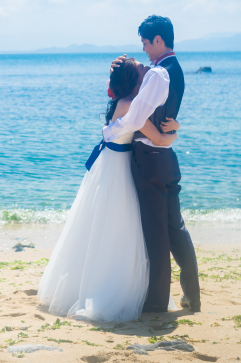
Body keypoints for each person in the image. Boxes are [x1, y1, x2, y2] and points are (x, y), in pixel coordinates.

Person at [37, 57, 179, 322]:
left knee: (98, 227)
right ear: (133, 83)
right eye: (139, 79)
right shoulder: (129, 106)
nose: (142, 82)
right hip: (120, 167)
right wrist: (176, 132)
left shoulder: (120, 103)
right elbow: (159, 138)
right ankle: (114, 288)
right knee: (120, 228)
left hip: (110, 163)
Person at [103, 15, 201, 313]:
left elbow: (134, 116)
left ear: (158, 40)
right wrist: (168, 134)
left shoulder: (158, 74)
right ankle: (192, 296)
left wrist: (111, 131)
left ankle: (157, 303)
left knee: (157, 234)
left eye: (146, 42)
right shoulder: (176, 70)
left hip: (150, 160)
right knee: (176, 230)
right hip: (166, 159)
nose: (144, 48)